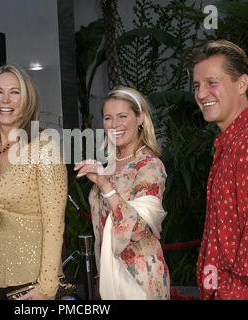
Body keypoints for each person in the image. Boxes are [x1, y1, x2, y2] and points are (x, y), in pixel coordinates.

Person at [187, 40, 248, 300]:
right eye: (197, 85)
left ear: (242, 84)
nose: (200, 93)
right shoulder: (236, 139)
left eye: (212, 82)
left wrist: (229, 295)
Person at [0, 64, 67, 300]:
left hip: (34, 282)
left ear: (27, 100)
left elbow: (55, 225)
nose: (5, 99)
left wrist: (46, 287)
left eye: (15, 92)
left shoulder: (44, 148)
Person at [74, 86, 170, 300]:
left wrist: (105, 186)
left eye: (122, 116)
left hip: (140, 282)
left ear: (140, 118)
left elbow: (137, 228)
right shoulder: (109, 165)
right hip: (110, 277)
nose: (114, 125)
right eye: (108, 118)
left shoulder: (150, 166)